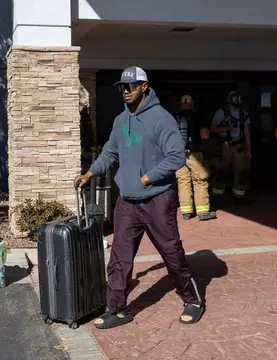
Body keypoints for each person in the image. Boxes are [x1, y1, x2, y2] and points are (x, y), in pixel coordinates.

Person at [74, 66, 205, 329]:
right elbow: (110, 152)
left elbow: (176, 157)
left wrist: (148, 178)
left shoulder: (162, 119)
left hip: (157, 199)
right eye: (122, 87)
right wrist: (90, 173)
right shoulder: (120, 121)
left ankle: (192, 300)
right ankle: (118, 309)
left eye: (130, 86)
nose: (125, 91)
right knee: (120, 257)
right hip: (127, 201)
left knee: (171, 253)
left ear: (144, 87)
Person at [174, 94, 216, 221]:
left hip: (178, 154)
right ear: (192, 103)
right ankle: (203, 212)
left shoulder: (175, 117)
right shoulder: (197, 116)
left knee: (183, 181)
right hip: (194, 153)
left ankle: (186, 211)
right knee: (200, 180)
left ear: (181, 104)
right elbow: (205, 136)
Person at [209, 91, 252, 202]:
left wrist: (249, 149)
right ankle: (217, 196)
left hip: (239, 146)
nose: (237, 99)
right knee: (222, 171)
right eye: (234, 97)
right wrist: (227, 129)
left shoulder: (244, 113)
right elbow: (212, 128)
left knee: (241, 171)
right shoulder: (221, 112)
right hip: (225, 146)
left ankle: (239, 196)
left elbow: (247, 133)